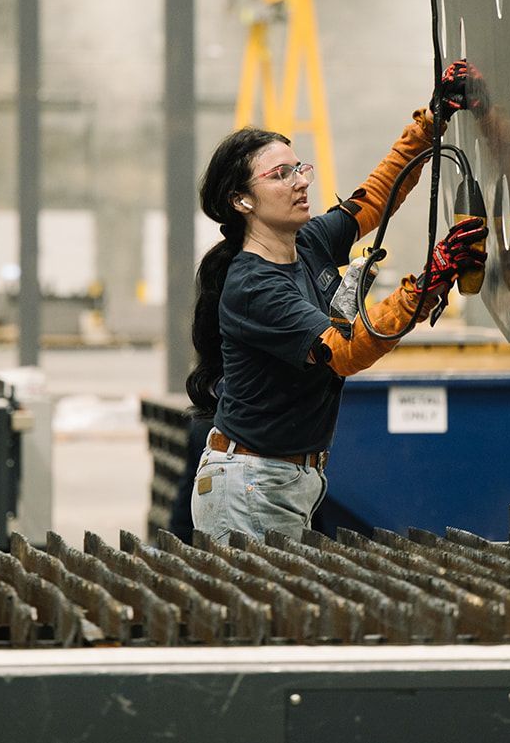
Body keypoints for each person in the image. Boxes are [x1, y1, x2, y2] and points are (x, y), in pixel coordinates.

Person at [185, 61, 488, 543]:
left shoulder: (308, 243)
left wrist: (432, 121)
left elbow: (377, 197)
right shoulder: (253, 285)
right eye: (281, 174)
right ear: (241, 201)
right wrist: (432, 277)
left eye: (299, 167)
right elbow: (344, 351)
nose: (301, 180)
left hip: (286, 479)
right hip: (248, 485)